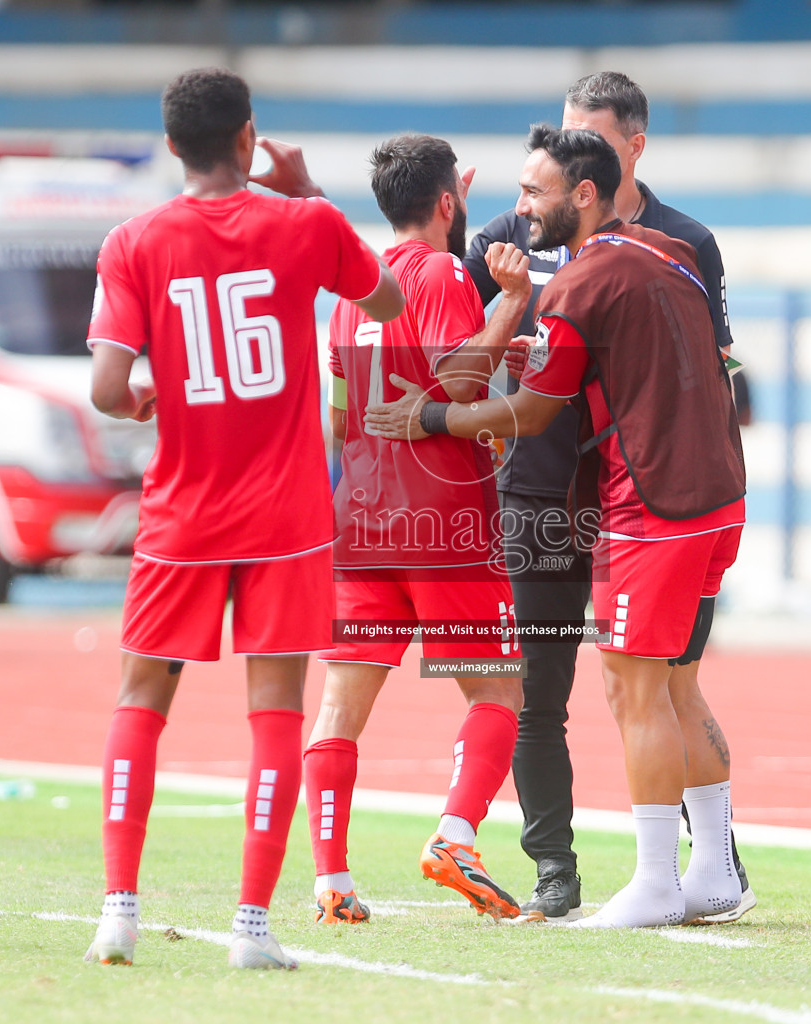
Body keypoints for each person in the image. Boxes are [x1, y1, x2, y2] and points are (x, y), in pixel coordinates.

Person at [367, 126, 747, 929]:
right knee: (673, 682)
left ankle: (654, 883)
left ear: (583, 193)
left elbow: (538, 408)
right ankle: (708, 873)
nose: (518, 207)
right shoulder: (673, 249)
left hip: (649, 502)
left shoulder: (579, 283)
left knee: (629, 684)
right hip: (713, 493)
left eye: (533, 191)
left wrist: (430, 413)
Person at [81, 67, 403, 971]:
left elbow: (107, 386)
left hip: (181, 513)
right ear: (249, 135)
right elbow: (388, 301)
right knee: (274, 713)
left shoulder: (133, 240)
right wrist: (304, 191)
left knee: (141, 701)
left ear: (172, 141)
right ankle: (252, 929)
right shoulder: (305, 224)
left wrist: (145, 397)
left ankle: (118, 912)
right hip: (286, 518)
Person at [305, 133, 531, 924]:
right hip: (441, 520)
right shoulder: (441, 274)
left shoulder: (350, 296)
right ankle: (456, 837)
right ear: (447, 203)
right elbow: (459, 380)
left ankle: (331, 882)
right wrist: (508, 303)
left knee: (340, 702)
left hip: (361, 522)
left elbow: (339, 425)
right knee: (498, 687)